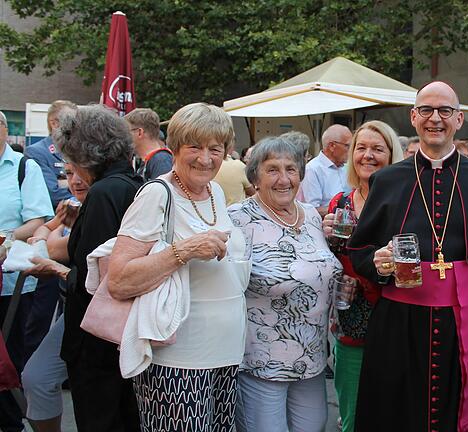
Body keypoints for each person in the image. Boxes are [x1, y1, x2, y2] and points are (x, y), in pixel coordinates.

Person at [347, 81, 468, 431]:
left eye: (444, 111)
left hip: (464, 328)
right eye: (426, 110)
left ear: (459, 118)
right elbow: (359, 250)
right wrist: (378, 263)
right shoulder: (388, 181)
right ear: (413, 117)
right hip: (398, 328)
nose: (434, 118)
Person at [104, 103, 248, 431]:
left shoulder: (216, 192)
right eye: (194, 147)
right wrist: (183, 250)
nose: (205, 158)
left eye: (215, 149)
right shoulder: (157, 194)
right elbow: (120, 280)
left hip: (225, 353)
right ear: (175, 148)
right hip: (179, 359)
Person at [26, 105, 142, 431]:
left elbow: (96, 279)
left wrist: (57, 270)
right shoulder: (129, 183)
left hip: (97, 340)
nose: (71, 169)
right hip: (118, 335)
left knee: (102, 417)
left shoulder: (105, 191)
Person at [228, 136, 342, 432]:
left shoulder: (313, 219)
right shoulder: (236, 220)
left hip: (312, 359)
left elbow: (318, 270)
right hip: (260, 362)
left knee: (314, 426)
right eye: (272, 170)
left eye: (291, 169)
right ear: (255, 176)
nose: (284, 179)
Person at [321, 120, 403, 431]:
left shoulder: (407, 203)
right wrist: (323, 235)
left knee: (392, 414)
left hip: (396, 319)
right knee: (353, 415)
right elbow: (328, 262)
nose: (367, 155)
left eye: (378, 149)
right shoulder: (339, 204)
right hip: (351, 322)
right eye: (361, 148)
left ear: (391, 155)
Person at [23, 162, 89, 432]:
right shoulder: (75, 206)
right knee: (36, 377)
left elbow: (46, 249)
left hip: (96, 314)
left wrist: (51, 228)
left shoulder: (104, 203)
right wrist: (55, 224)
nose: (75, 180)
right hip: (75, 311)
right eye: (69, 173)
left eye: (82, 172)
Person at [0, 109, 54, 432]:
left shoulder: (24, 167)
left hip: (11, 283)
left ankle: (11, 423)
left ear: (4, 131)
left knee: (9, 360)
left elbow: (39, 219)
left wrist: (8, 238)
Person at [24, 100, 77, 208]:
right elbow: (52, 195)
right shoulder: (37, 152)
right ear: (54, 123)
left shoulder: (79, 151)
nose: (76, 126)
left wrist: (64, 184)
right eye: (71, 121)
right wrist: (83, 197)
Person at [298, 124, 353, 216]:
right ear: (332, 146)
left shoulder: (347, 167)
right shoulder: (312, 170)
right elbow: (312, 210)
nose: (352, 150)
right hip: (324, 227)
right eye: (348, 146)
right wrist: (342, 209)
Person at [125, 108, 173, 181]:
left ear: (140, 132)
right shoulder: (152, 161)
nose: (125, 136)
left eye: (127, 132)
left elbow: (162, 191)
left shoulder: (161, 160)